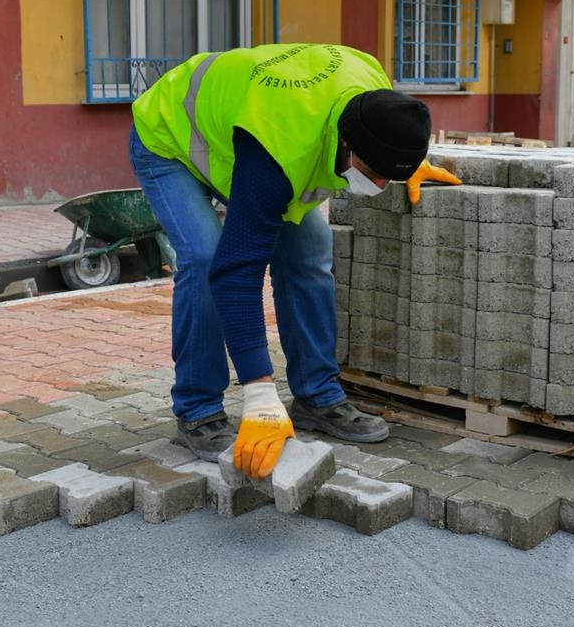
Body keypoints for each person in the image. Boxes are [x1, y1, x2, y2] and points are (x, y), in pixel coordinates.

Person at [129, 43, 460, 480]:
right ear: (345, 140)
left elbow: (388, 131)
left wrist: (407, 164)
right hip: (170, 136)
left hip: (241, 132)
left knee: (309, 253)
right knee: (208, 258)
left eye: (388, 177)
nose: (378, 184)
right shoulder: (280, 147)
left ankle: (317, 397)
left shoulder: (372, 88)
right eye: (373, 171)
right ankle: (198, 410)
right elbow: (237, 272)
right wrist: (259, 393)